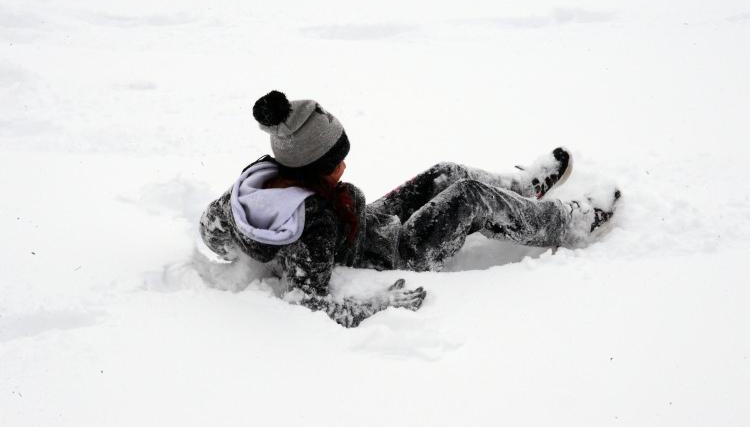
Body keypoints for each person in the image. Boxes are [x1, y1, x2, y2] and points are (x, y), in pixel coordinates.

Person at [198, 91, 620, 327]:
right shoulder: (316, 225)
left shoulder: (256, 185)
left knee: (444, 172)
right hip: (397, 252)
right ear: (311, 167)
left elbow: (211, 227)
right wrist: (380, 303)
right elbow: (307, 300)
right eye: (336, 162)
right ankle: (570, 223)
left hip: (367, 227)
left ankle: (521, 193)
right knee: (468, 196)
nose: (345, 166)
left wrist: (248, 241)